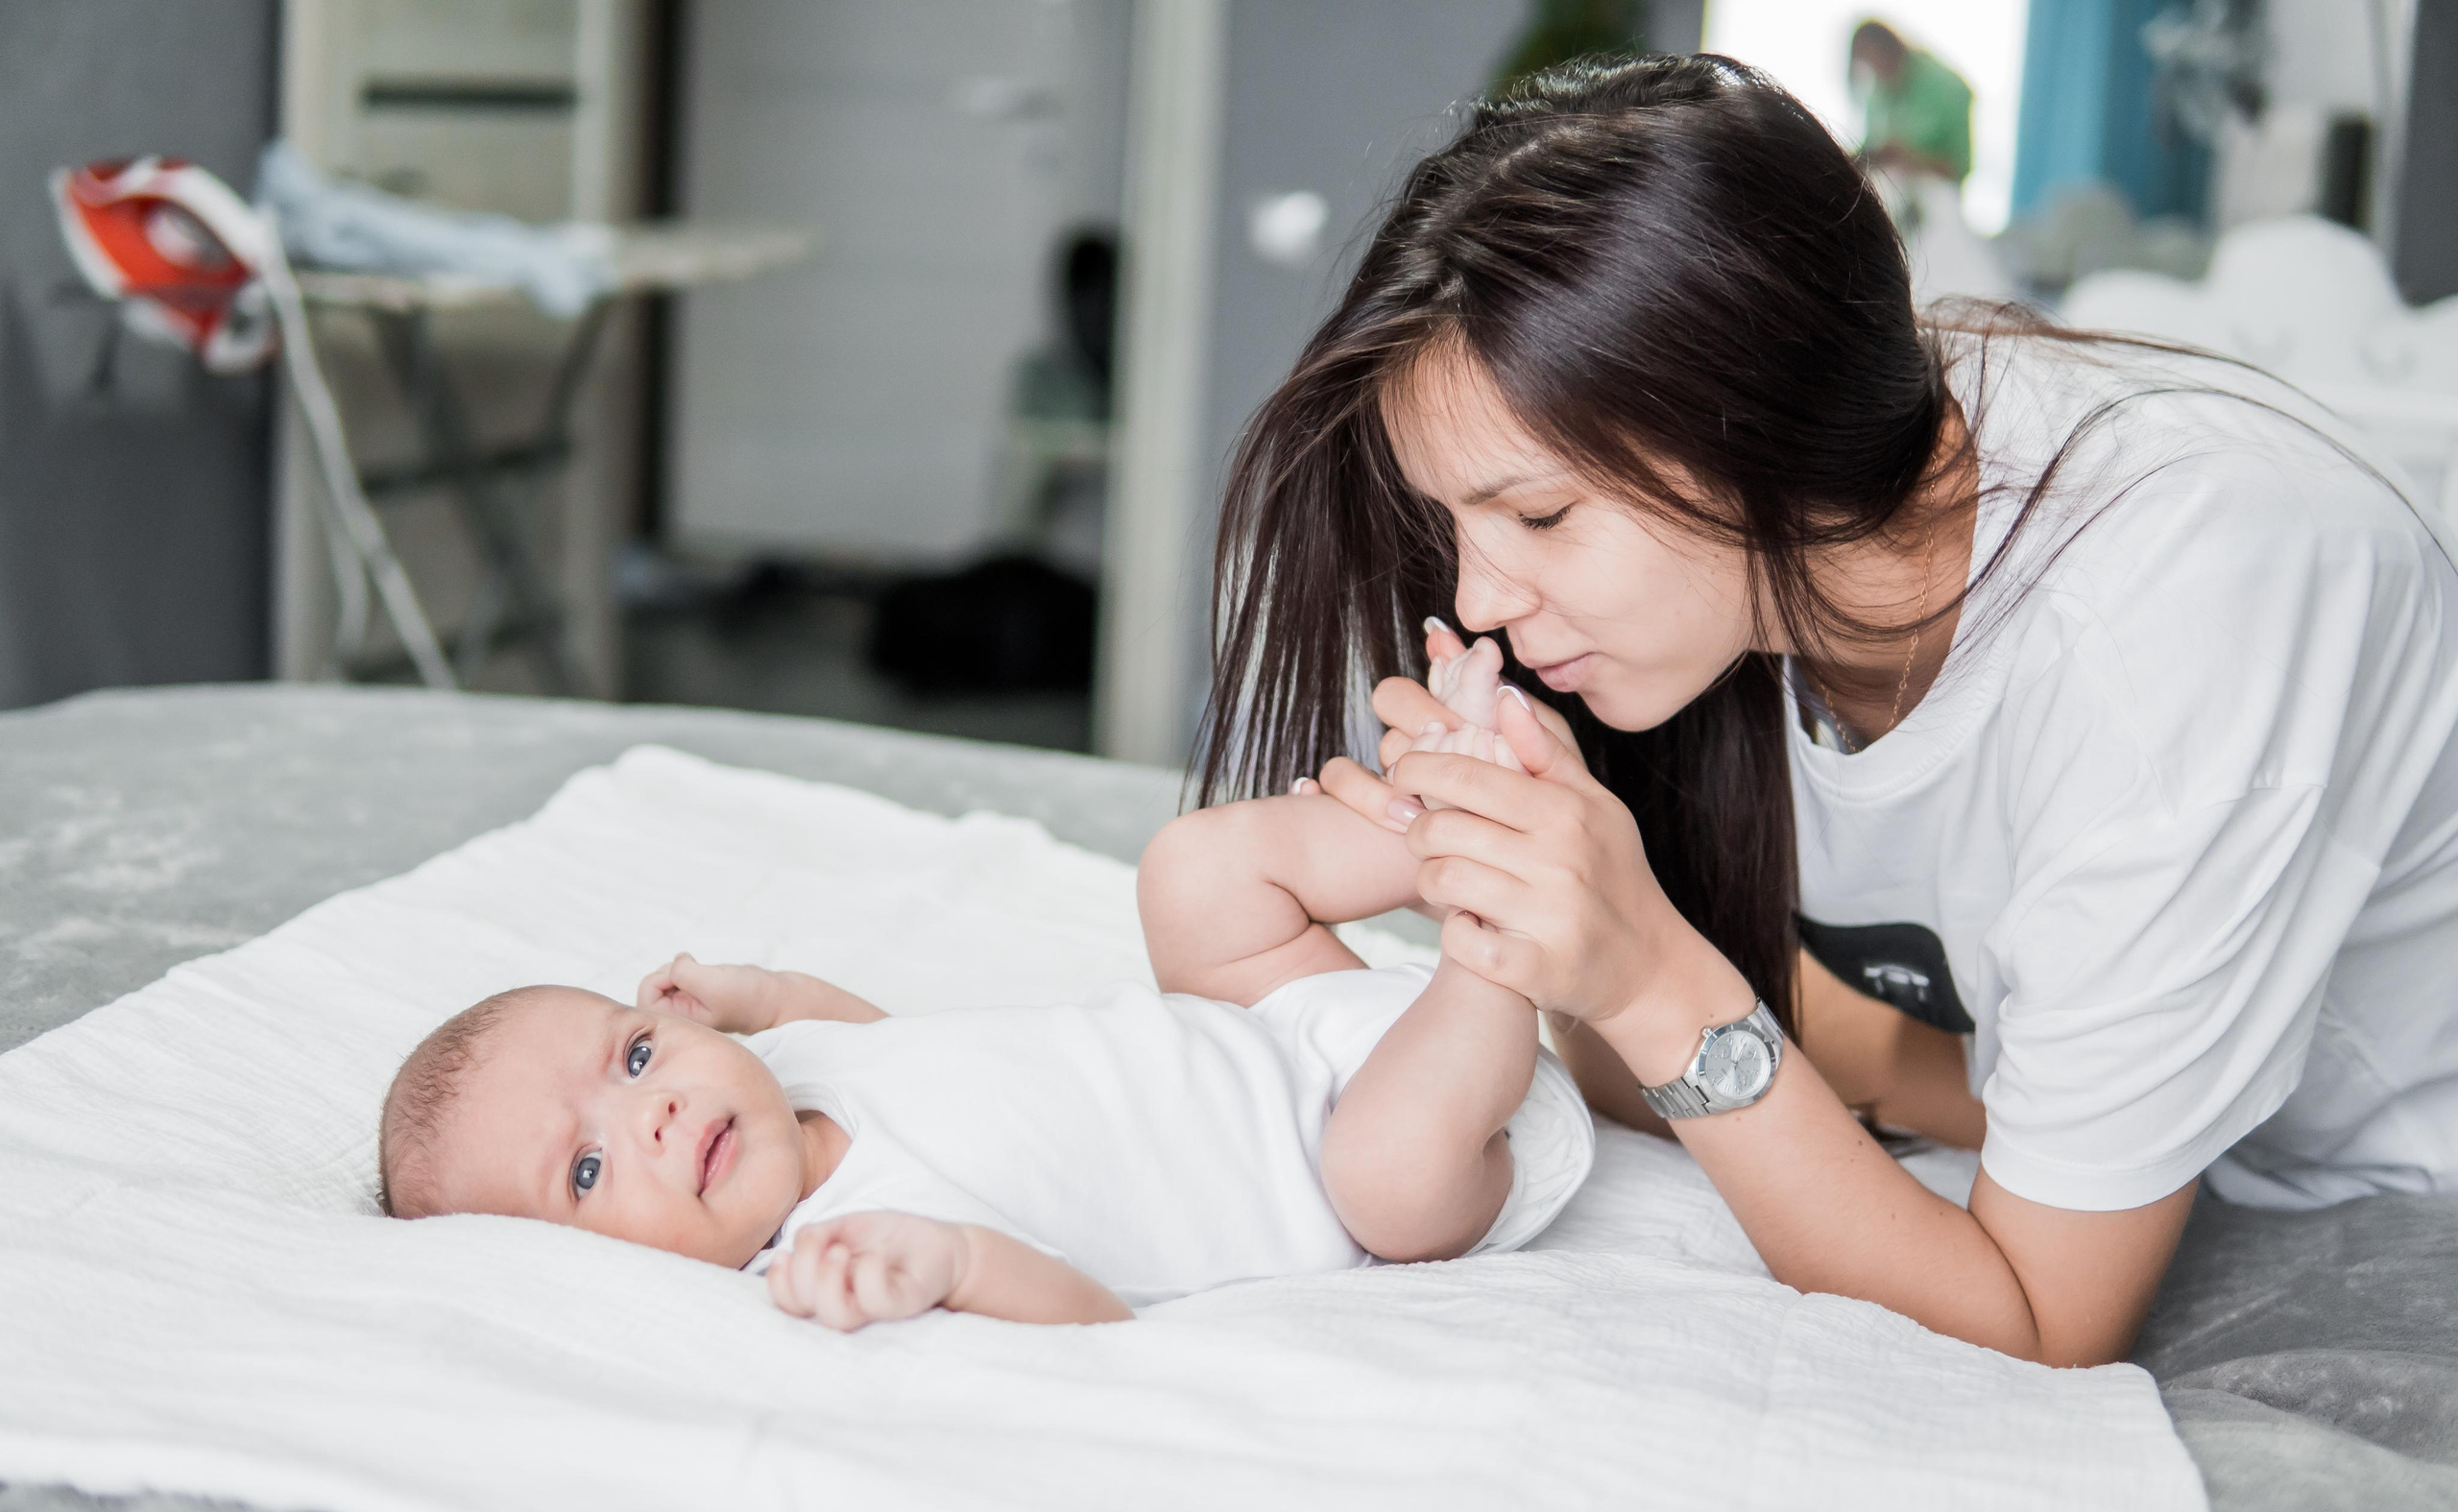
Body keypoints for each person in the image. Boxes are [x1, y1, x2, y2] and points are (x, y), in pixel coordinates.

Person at [1204, 56, 2458, 1368]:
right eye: (1449, 521)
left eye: (1540, 514)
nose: (1480, 597)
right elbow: (1725, 1054)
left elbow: (2033, 1328)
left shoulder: (2190, 619)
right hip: (2068, 1099)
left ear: (1751, 416)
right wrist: (1552, 932)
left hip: (2383, 1200)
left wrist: (1644, 968)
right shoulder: (1769, 565)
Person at [374, 646, 1592, 1330]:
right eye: (586, 1173)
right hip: (1387, 1160)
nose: (648, 1116)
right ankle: (1507, 922)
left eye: (634, 1056)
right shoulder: (848, 1251)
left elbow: (879, 1040)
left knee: (1190, 870)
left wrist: (754, 993)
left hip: (1277, 1026)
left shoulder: (795, 1079)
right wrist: (953, 1269)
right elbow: (1090, 1319)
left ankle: (1462, 817)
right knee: (1385, 1178)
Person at [1850, 20, 1971, 184]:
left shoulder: (1946, 87)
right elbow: (1872, 147)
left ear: (1889, 50)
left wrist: (1910, 159)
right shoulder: (1878, 91)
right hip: (1888, 184)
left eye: (1873, 59)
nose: (1872, 71)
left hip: (1935, 191)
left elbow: (1960, 167)